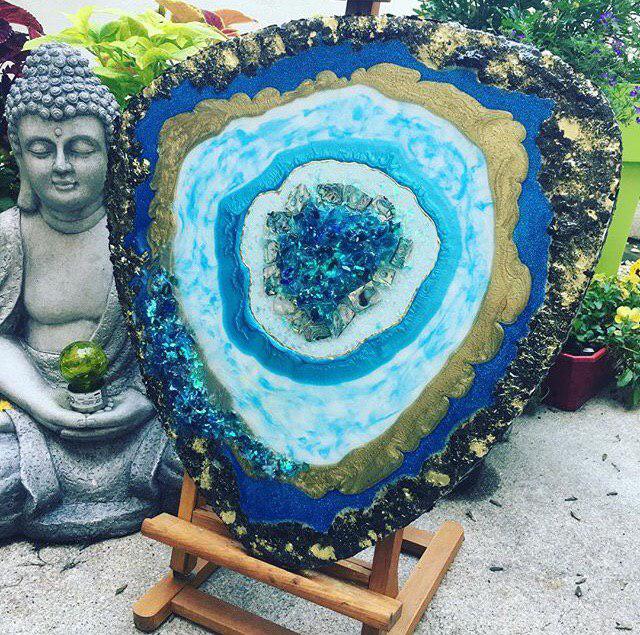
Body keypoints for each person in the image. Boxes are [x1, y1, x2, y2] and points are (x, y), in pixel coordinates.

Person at [0, 43, 181, 541]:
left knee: (202, 464)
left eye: (80, 149)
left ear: (110, 152)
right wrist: (43, 404)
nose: (61, 165)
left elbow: (187, 341)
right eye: (41, 150)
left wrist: (145, 399)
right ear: (20, 157)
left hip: (140, 420)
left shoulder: (148, 235)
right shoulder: (10, 236)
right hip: (36, 423)